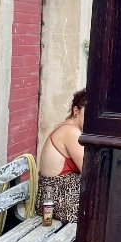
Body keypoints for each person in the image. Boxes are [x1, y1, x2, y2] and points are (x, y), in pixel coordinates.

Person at [37, 88, 86, 223]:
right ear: (76, 111)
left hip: (54, 199)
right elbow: (89, 171)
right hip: (61, 201)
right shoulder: (71, 132)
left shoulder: (67, 127)